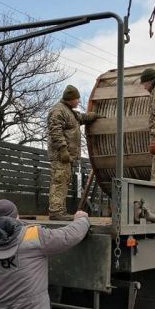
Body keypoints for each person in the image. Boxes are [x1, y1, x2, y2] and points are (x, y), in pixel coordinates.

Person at [47, 85, 102, 220]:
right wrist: (63, 149)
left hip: (67, 156)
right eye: (77, 99)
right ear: (70, 99)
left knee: (64, 180)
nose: (78, 101)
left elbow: (82, 118)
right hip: (61, 156)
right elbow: (55, 131)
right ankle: (55, 212)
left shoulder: (70, 112)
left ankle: (60, 211)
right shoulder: (58, 111)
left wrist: (95, 116)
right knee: (59, 181)